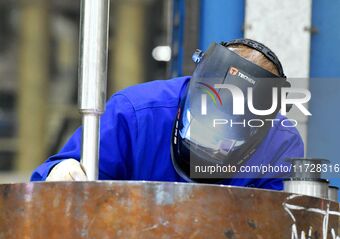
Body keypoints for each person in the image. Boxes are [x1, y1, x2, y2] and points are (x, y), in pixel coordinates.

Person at [31, 38, 304, 190]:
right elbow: (57, 183)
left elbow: (279, 227)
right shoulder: (136, 113)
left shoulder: (280, 143)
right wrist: (59, 173)